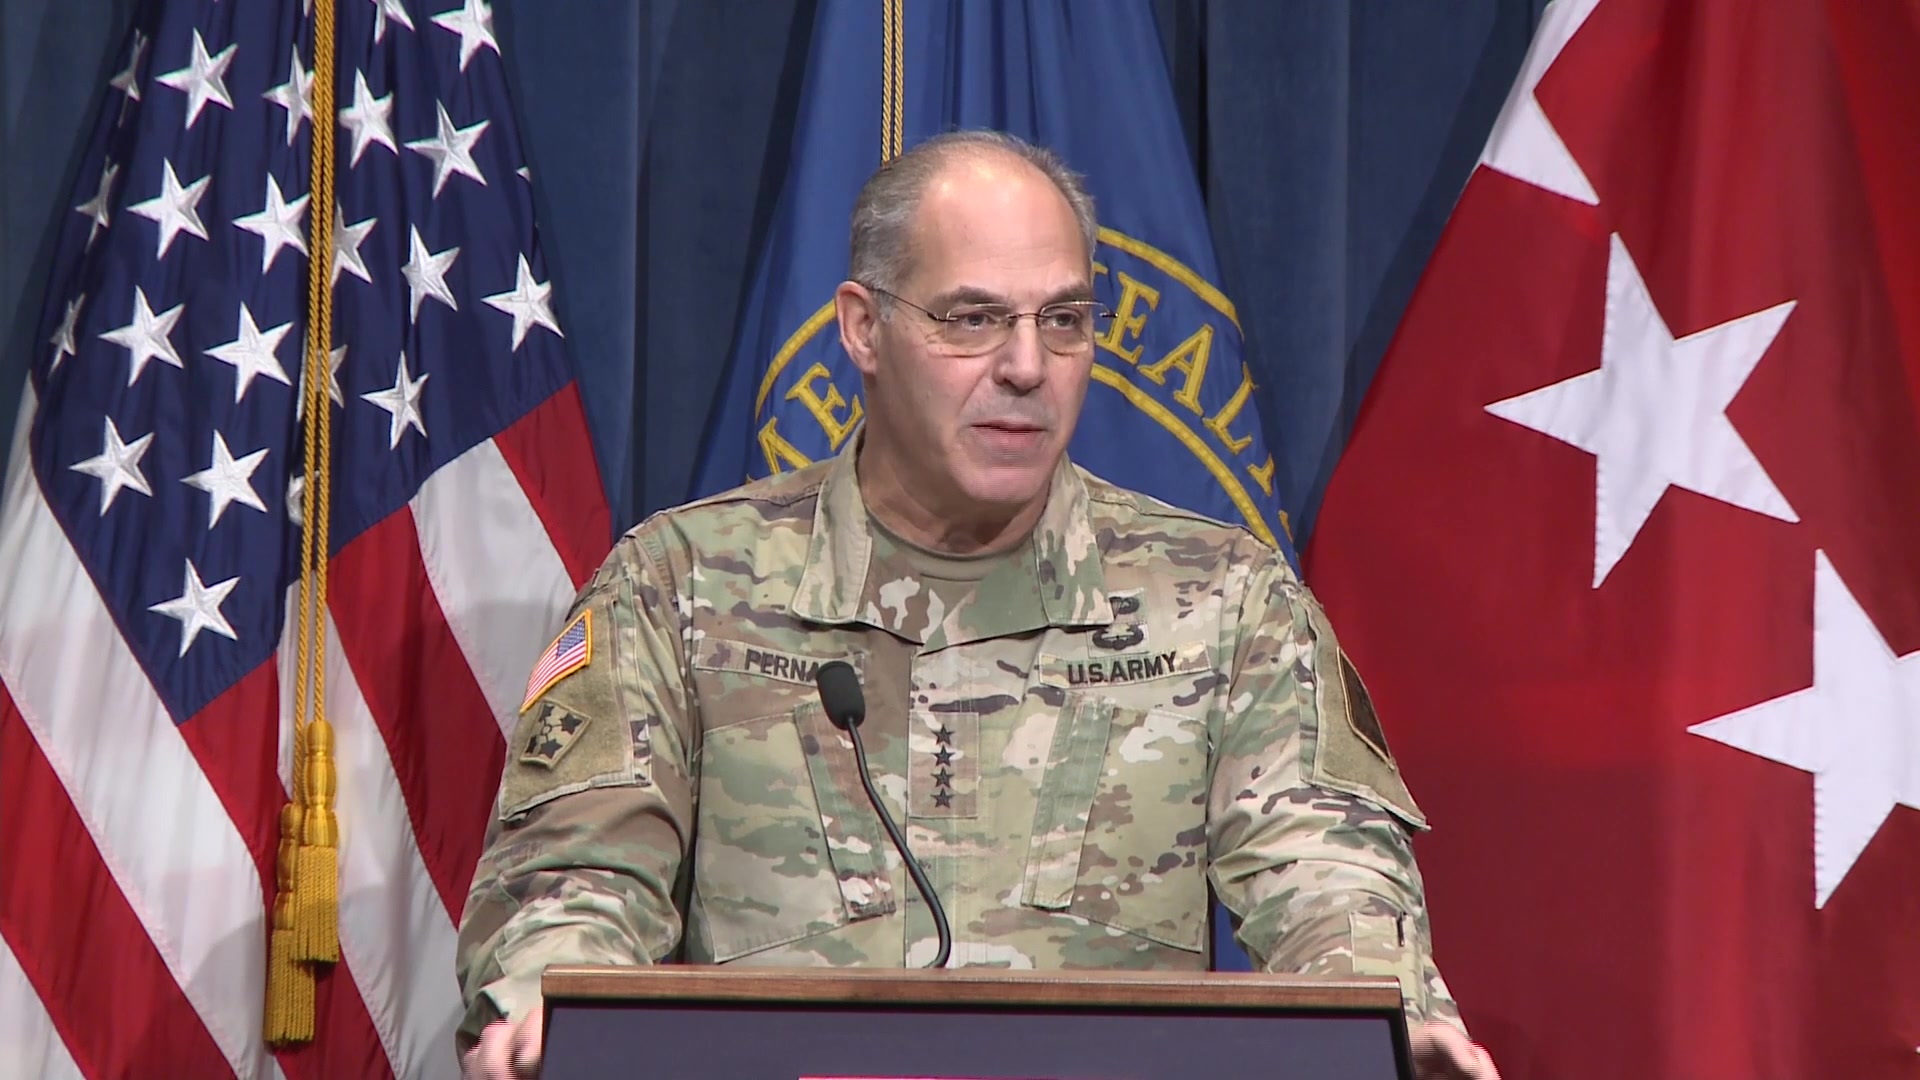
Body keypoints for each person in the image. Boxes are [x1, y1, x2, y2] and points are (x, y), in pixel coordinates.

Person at [455, 129, 1501, 1080]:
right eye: (973, 319)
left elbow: (1330, 876)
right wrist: (557, 1002)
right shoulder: (681, 583)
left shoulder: (1223, 601)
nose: (1026, 368)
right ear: (862, 330)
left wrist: (1394, 1019)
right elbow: (577, 882)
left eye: (1065, 320)